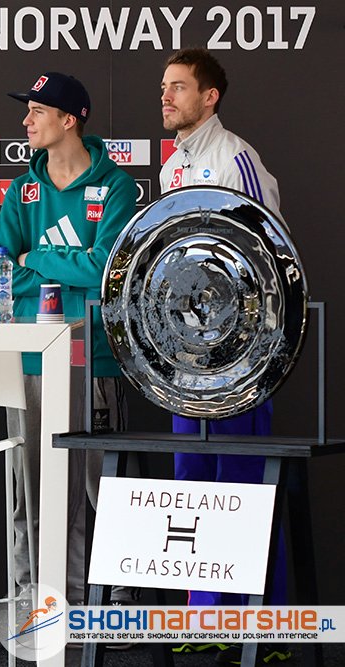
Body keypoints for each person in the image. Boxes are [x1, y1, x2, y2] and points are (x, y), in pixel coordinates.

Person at [159, 47, 290, 665]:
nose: (166, 97)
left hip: (240, 357)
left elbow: (271, 254)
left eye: (179, 87)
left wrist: (248, 346)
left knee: (242, 484)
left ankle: (263, 629)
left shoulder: (237, 158)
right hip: (187, 356)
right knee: (192, 483)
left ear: (209, 97)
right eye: (164, 87)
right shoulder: (172, 167)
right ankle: (206, 617)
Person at [0, 72, 138, 612]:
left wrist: (36, 258)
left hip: (94, 356)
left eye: (37, 111)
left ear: (69, 119)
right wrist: (57, 268)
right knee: (29, 490)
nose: (26, 120)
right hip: (33, 358)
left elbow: (106, 270)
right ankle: (34, 604)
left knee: (103, 490)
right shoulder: (22, 190)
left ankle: (115, 605)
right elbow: (2, 270)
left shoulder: (116, 186)